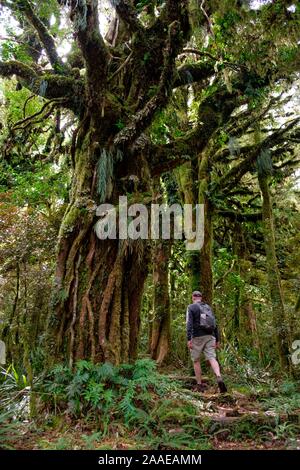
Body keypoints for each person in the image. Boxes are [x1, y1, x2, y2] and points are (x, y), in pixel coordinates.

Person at [186, 291, 227, 393]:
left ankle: (199, 384)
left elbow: (189, 324)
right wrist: (217, 340)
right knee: (212, 358)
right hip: (210, 336)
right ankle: (218, 376)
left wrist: (189, 339)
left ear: (193, 297)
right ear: (201, 297)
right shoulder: (207, 307)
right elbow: (214, 324)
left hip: (197, 337)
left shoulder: (191, 307)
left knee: (196, 360)